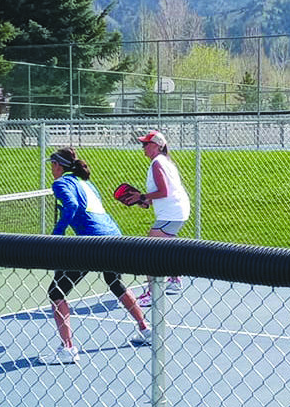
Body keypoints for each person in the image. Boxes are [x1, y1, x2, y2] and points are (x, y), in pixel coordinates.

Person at [40, 146, 152, 365]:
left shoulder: (61, 183)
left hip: (91, 243)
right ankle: (145, 329)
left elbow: (71, 206)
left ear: (58, 165)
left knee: (56, 292)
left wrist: (56, 235)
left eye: (52, 165)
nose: (51, 169)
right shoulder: (87, 183)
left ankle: (68, 349)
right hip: (114, 238)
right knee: (115, 282)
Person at [130, 130, 191, 307]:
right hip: (176, 211)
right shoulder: (164, 162)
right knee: (166, 248)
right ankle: (174, 279)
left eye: (146, 144)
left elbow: (164, 191)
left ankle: (153, 294)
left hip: (172, 213)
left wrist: (142, 197)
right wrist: (146, 200)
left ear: (157, 146)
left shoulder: (157, 163)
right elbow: (165, 191)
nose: (143, 147)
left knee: (150, 250)